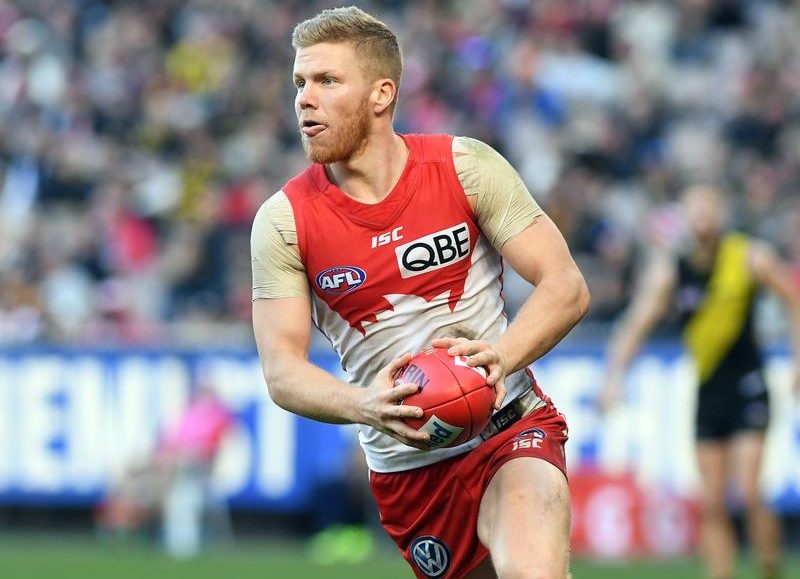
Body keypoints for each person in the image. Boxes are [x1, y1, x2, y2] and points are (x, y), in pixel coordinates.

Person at [250, 6, 589, 579]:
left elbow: (566, 286)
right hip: (409, 472)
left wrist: (500, 357)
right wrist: (363, 405)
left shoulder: (465, 167)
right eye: (300, 83)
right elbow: (281, 371)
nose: (305, 99)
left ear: (381, 95)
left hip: (510, 426)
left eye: (327, 81)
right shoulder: (283, 221)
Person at [600, 185, 800, 579]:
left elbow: (793, 298)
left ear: (721, 213)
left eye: (708, 207)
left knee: (749, 491)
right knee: (712, 502)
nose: (702, 216)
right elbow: (637, 324)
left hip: (749, 384)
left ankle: (770, 568)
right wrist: (614, 377)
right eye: (694, 209)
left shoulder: (748, 257)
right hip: (709, 390)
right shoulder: (673, 271)